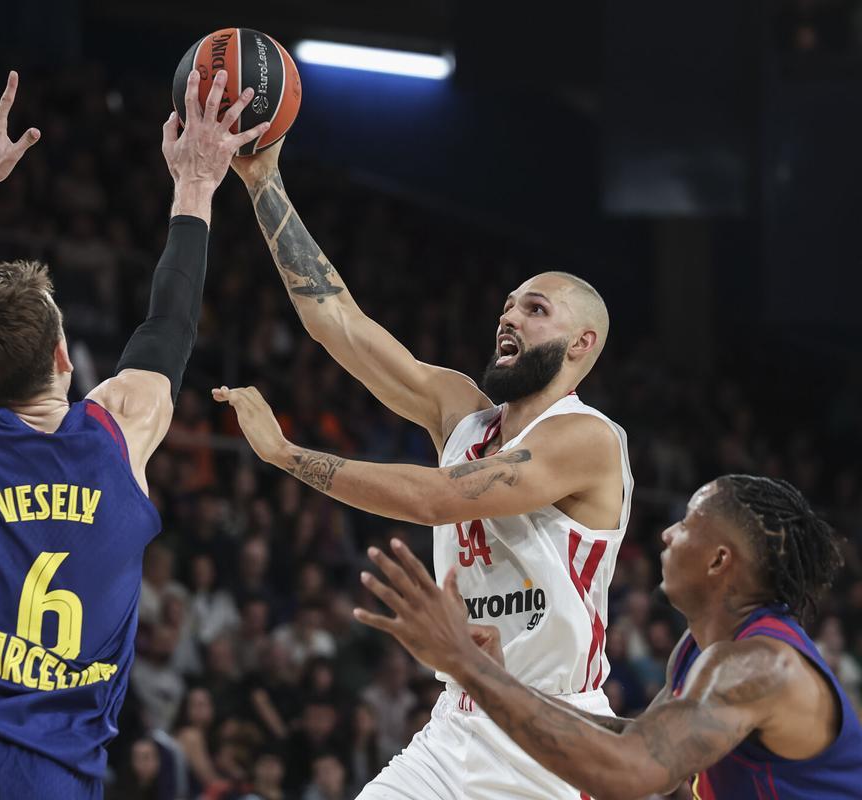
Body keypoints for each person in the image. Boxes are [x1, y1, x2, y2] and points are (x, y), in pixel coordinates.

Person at [220, 141, 633, 798]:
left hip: (553, 737)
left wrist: (288, 455)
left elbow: (438, 500)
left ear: (582, 344)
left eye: (535, 309)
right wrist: (263, 182)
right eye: (507, 304)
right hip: (457, 726)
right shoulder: (460, 412)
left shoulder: (587, 439)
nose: (509, 314)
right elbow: (339, 325)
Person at [0, 63, 269, 799]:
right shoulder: (120, 432)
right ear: (67, 356)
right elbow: (171, 325)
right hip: (58, 773)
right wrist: (196, 183)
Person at [354, 476, 862, 799]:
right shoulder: (699, 652)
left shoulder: (758, 667)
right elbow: (649, 761)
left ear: (719, 561)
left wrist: (469, 669)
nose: (666, 534)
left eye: (686, 524)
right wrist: (485, 675)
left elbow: (630, 773)